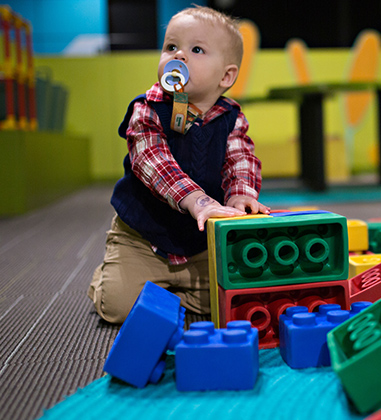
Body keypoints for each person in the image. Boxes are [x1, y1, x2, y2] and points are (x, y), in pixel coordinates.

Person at [88, 6, 269, 324]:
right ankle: (110, 276)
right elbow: (154, 163)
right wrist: (197, 200)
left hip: (199, 245)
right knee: (118, 308)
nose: (179, 56)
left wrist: (241, 194)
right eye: (171, 47)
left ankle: (168, 292)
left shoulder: (231, 116)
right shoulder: (147, 110)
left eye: (196, 49)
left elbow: (240, 158)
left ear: (225, 76)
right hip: (143, 238)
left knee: (231, 303)